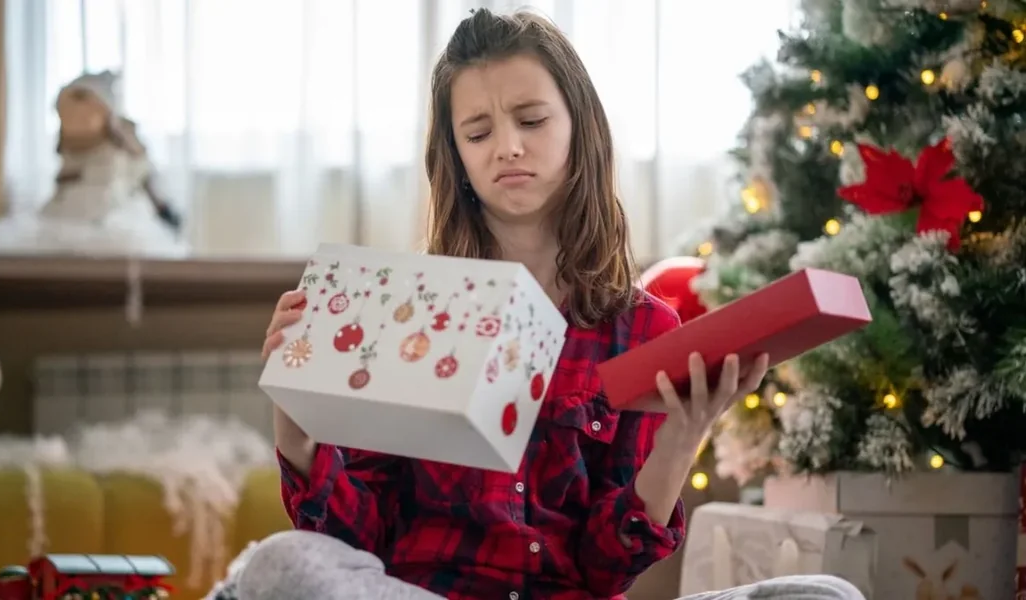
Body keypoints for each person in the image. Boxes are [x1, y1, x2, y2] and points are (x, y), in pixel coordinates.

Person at [254, 8, 866, 600]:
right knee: (279, 564)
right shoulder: (411, 310)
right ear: (458, 156)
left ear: (580, 126)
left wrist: (682, 438)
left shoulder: (645, 327)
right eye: (478, 132)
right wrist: (299, 434)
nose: (508, 147)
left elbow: (606, 570)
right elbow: (354, 544)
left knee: (821, 594)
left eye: (531, 120)